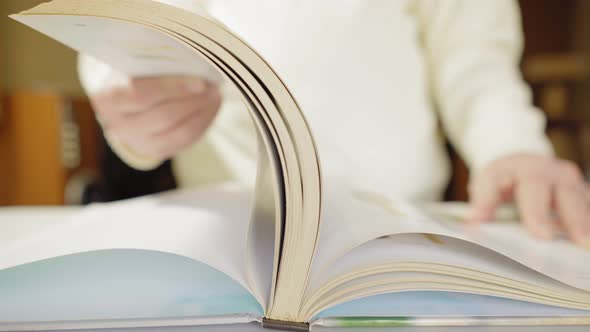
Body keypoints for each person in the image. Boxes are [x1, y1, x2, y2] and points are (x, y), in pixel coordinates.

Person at [78, 0, 590, 248]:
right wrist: (128, 94)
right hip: (230, 233)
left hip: (406, 227)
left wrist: (511, 143)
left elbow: (473, 53)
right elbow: (127, 27)